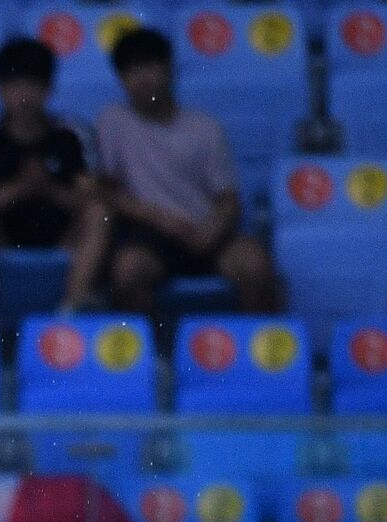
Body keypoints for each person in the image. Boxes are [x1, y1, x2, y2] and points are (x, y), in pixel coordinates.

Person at [97, 27, 279, 316]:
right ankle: (150, 358)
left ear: (169, 69)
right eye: (131, 71)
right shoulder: (113, 121)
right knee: (127, 271)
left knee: (256, 265)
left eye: (150, 67)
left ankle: (263, 356)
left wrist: (209, 233)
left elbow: (229, 200)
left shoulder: (205, 127)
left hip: (206, 232)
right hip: (151, 238)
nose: (142, 79)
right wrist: (162, 220)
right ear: (121, 79)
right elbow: (106, 190)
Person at [0, 38, 109, 313]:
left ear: (49, 88)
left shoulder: (72, 134)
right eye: (15, 86)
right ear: (0, 89)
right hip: (3, 235)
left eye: (33, 85)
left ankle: (73, 307)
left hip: (63, 236)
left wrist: (47, 188)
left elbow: (90, 197)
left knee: (99, 213)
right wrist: (19, 189)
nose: (24, 96)